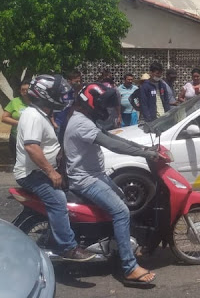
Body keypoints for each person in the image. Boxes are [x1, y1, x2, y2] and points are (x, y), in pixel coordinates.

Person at [64, 83, 158, 285]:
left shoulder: (83, 119)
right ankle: (129, 267)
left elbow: (109, 136)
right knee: (121, 211)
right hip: (86, 179)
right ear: (91, 103)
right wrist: (144, 153)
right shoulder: (81, 123)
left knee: (124, 200)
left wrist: (143, 147)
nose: (106, 109)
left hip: (95, 175)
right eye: (103, 104)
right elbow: (112, 144)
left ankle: (119, 246)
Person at [13, 74, 95, 261]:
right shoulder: (33, 116)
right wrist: (51, 172)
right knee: (58, 201)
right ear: (44, 95)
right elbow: (31, 147)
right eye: (58, 94)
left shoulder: (41, 114)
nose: (63, 97)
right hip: (32, 174)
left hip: (40, 170)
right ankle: (68, 247)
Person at [1, 79, 31, 158]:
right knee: (17, 161)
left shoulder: (38, 102)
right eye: (22, 90)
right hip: (16, 137)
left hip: (33, 137)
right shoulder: (15, 101)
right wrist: (20, 123)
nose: (25, 92)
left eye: (27, 90)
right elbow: (4, 118)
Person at [53, 70, 82, 139]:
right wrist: (53, 122)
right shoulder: (61, 91)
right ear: (69, 81)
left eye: (79, 81)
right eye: (76, 81)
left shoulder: (74, 91)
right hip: (57, 122)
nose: (78, 83)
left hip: (67, 122)